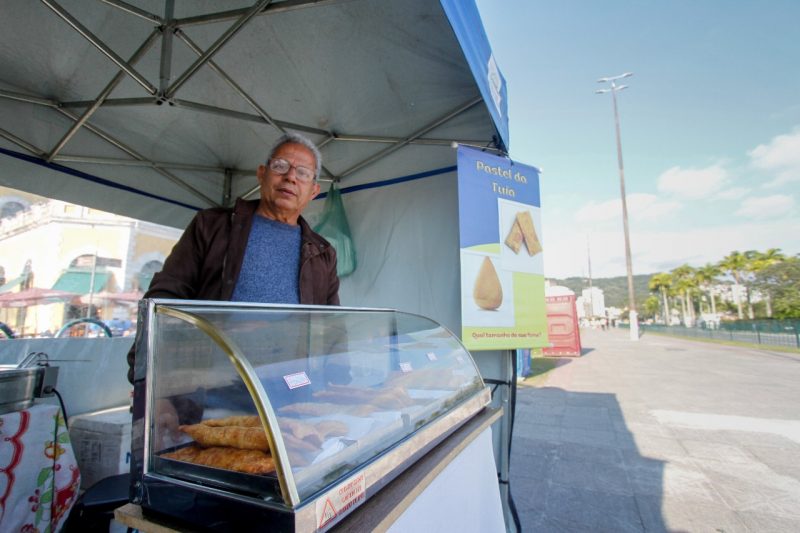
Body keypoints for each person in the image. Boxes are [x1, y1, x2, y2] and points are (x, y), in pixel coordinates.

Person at [127, 132, 339, 384]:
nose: (291, 177)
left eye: (303, 173)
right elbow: (163, 299)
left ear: (314, 190)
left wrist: (337, 382)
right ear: (262, 173)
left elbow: (332, 328)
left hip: (289, 389)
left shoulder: (322, 252)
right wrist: (146, 378)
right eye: (281, 166)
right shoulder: (213, 226)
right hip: (209, 385)